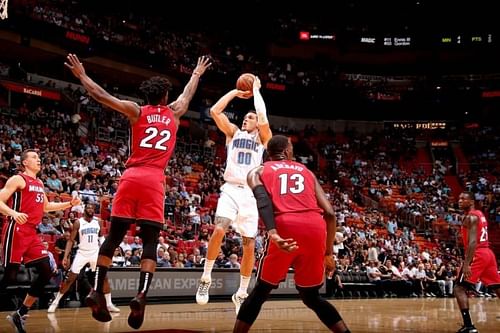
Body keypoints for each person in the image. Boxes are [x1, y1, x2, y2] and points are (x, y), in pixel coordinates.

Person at [64, 53, 211, 328]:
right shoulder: (175, 111)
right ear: (166, 96)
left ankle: (97, 289)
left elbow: (102, 96)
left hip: (131, 178)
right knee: (150, 243)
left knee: (113, 237)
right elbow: (188, 95)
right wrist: (196, 74)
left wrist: (82, 76)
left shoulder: (136, 111)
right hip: (154, 181)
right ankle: (142, 294)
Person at [234, 135, 350, 333]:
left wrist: (273, 232)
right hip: (316, 228)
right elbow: (330, 214)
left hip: (285, 226)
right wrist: (328, 254)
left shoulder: (258, 170)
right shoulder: (307, 172)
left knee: (261, 292)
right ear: (287, 152)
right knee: (311, 297)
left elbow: (263, 200)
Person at [196, 76, 272, 313]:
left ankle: (241, 293)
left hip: (250, 194)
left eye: (250, 117)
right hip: (230, 189)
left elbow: (263, 117)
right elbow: (216, 110)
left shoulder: (262, 139)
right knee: (219, 228)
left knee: (249, 244)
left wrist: (256, 91)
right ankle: (205, 278)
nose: (246, 119)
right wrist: (235, 91)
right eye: (245, 117)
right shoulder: (233, 133)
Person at [0, 149, 81, 333]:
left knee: (47, 270)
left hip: (31, 233)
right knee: (9, 276)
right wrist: (13, 213)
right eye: (34, 157)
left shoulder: (39, 182)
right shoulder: (18, 179)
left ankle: (20, 313)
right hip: (17, 229)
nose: (39, 160)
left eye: (39, 157)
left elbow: (46, 207)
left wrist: (69, 204)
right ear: (25, 163)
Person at [47, 203, 119, 313]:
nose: (90, 209)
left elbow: (101, 238)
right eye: (88, 208)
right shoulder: (78, 222)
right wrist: (66, 256)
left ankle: (109, 304)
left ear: (94, 210)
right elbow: (71, 240)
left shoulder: (98, 221)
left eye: (92, 208)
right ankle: (55, 302)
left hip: (95, 252)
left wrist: (106, 255)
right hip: (82, 253)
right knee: (70, 279)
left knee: (104, 277)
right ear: (84, 210)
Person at [454, 192, 500, 333]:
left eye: (464, 199)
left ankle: (469, 326)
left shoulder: (471, 217)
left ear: (472, 201)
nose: (460, 201)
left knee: (459, 288)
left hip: (477, 253)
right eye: (459, 198)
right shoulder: (479, 214)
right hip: (488, 253)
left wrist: (467, 263)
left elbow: (473, 242)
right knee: (497, 287)